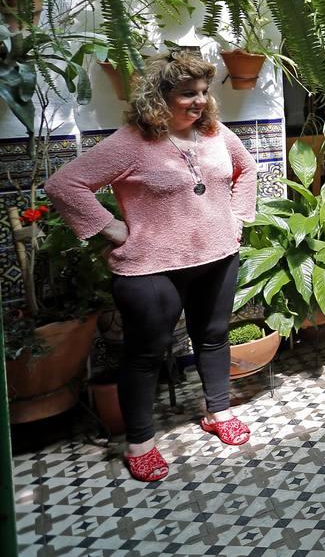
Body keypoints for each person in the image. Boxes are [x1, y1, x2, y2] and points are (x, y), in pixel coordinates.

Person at [47, 52, 258, 483]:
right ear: (158, 98)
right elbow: (64, 184)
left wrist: (238, 217)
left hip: (217, 257)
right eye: (187, 94)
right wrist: (112, 229)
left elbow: (247, 168)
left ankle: (217, 412)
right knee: (144, 355)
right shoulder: (130, 142)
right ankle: (140, 441)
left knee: (214, 338)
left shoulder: (216, 133)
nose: (200, 102)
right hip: (150, 268)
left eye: (203, 92)